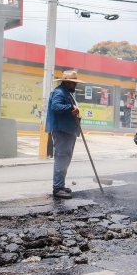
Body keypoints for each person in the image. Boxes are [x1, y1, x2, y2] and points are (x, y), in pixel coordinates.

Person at [45, 70, 83, 199]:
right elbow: (56, 107)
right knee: (61, 159)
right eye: (73, 83)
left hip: (69, 131)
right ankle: (57, 188)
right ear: (67, 82)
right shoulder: (59, 92)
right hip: (62, 131)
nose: (75, 85)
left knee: (65, 160)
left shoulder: (67, 93)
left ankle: (60, 186)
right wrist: (70, 108)